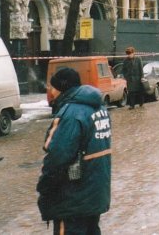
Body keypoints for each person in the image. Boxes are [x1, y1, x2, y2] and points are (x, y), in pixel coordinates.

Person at [37, 67, 112, 234]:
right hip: (95, 191)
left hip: (73, 197)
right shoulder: (99, 108)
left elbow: (58, 157)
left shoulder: (71, 113)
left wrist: (44, 187)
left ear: (62, 88)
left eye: (52, 87)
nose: (51, 91)